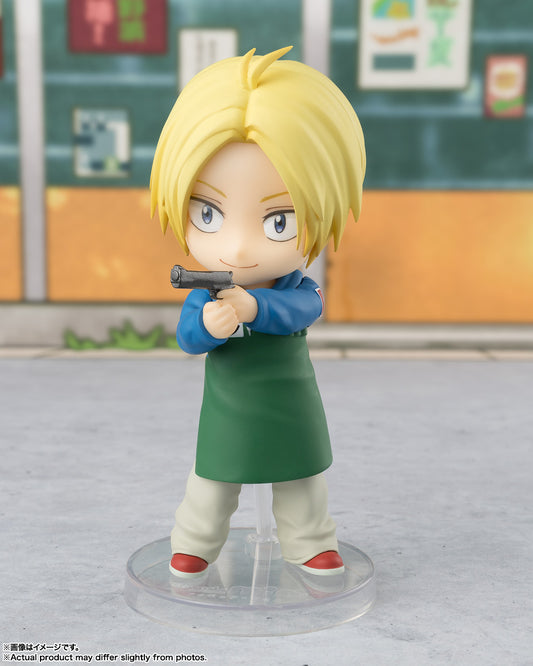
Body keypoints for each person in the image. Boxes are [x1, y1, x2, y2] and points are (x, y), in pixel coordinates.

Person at [150, 46, 365, 578]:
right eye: (208, 214)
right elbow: (187, 337)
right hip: (229, 404)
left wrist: (256, 305)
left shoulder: (295, 286)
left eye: (278, 222)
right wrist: (208, 324)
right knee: (214, 475)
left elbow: (306, 306)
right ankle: (195, 542)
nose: (239, 248)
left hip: (290, 398)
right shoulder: (208, 292)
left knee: (301, 474)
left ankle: (310, 541)